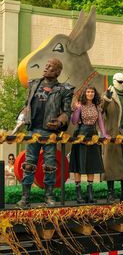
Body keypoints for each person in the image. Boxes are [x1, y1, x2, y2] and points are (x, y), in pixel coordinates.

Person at [17, 58, 74, 207]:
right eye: (46, 65)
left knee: (50, 165)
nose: (46, 67)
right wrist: (21, 118)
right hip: (33, 130)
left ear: (57, 72)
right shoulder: (34, 84)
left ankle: (49, 196)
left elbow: (67, 111)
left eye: (50, 66)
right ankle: (25, 197)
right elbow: (26, 105)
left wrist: (60, 121)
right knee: (29, 164)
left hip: (49, 131)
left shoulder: (63, 89)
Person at [70, 86, 109, 203]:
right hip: (81, 134)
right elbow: (74, 121)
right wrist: (77, 110)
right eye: (88, 91)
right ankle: (78, 195)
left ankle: (90, 194)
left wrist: (104, 134)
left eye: (92, 91)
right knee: (79, 164)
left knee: (91, 163)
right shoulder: (79, 105)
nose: (90, 93)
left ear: (94, 94)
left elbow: (100, 121)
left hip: (93, 134)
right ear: (84, 93)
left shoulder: (97, 106)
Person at [102, 73, 123, 202]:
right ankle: (110, 193)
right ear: (114, 81)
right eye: (120, 82)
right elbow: (101, 110)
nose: (122, 84)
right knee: (110, 163)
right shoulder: (108, 94)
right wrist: (106, 98)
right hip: (112, 132)